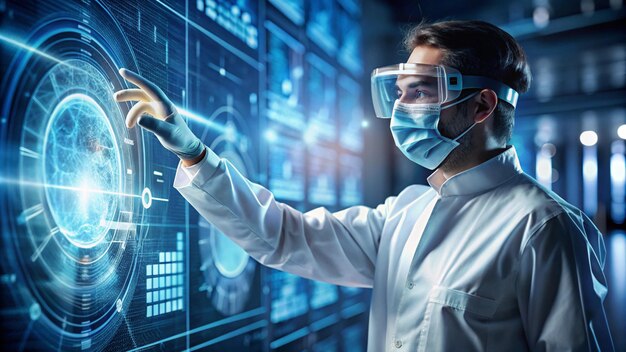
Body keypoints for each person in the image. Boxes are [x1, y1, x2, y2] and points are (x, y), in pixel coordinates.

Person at [114, 20, 614, 351]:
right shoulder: (407, 214)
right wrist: (192, 151)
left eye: (420, 91)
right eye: (398, 94)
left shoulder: (543, 227)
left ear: (482, 106)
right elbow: (284, 236)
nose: (401, 111)